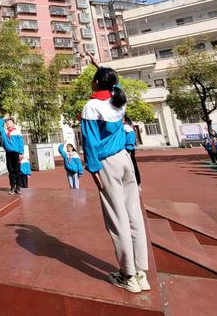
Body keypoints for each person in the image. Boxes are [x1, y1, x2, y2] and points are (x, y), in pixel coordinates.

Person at [81, 61, 150, 293]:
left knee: (117, 218)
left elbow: (90, 142)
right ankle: (141, 272)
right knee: (134, 216)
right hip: (125, 160)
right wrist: (98, 64)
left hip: (107, 163)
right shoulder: (119, 99)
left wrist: (92, 170)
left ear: (98, 82)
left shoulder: (91, 106)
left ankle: (127, 275)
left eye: (94, 77)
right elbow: (115, 81)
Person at [0, 116, 24, 195]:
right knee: (10, 171)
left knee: (17, 171)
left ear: (13, 123)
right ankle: (12, 186)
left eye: (9, 122)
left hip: (16, 153)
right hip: (8, 153)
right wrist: (4, 118)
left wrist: (21, 153)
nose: (7, 123)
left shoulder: (17, 132)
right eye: (6, 122)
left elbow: (21, 143)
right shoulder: (4, 132)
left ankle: (18, 187)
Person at [124, 115, 142, 189]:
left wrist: (128, 150)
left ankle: (137, 183)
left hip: (127, 150)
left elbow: (131, 139)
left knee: (132, 166)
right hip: (124, 150)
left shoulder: (126, 127)